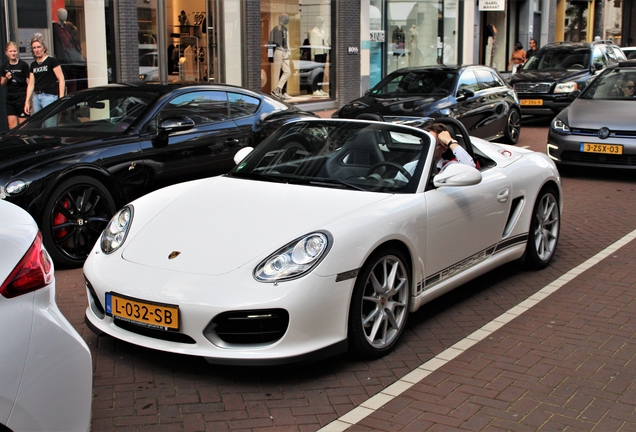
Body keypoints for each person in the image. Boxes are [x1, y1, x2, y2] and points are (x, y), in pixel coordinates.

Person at [24, 33, 65, 115]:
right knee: (38, 123)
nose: (37, 50)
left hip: (49, 96)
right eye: (34, 48)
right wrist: (27, 101)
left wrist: (61, 98)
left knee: (50, 123)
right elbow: (31, 84)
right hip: (36, 97)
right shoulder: (33, 65)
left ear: (44, 48)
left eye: (38, 47)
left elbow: (61, 79)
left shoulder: (51, 61)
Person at [1, 41, 30, 129]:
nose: (13, 53)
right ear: (6, 53)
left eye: (14, 51)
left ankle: (24, 142)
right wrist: (6, 78)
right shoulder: (4, 66)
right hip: (10, 97)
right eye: (10, 51)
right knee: (12, 126)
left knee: (23, 126)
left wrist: (28, 100)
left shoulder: (23, 65)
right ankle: (15, 142)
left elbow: (30, 83)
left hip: (21, 96)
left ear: (17, 52)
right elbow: (2, 84)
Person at [270, 14, 291, 100]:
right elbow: (270, 42)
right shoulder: (275, 29)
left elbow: (286, 42)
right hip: (278, 51)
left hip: (285, 53)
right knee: (276, 73)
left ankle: (278, 89)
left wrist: (288, 51)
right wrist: (270, 56)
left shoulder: (285, 29)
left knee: (287, 72)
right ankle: (276, 91)